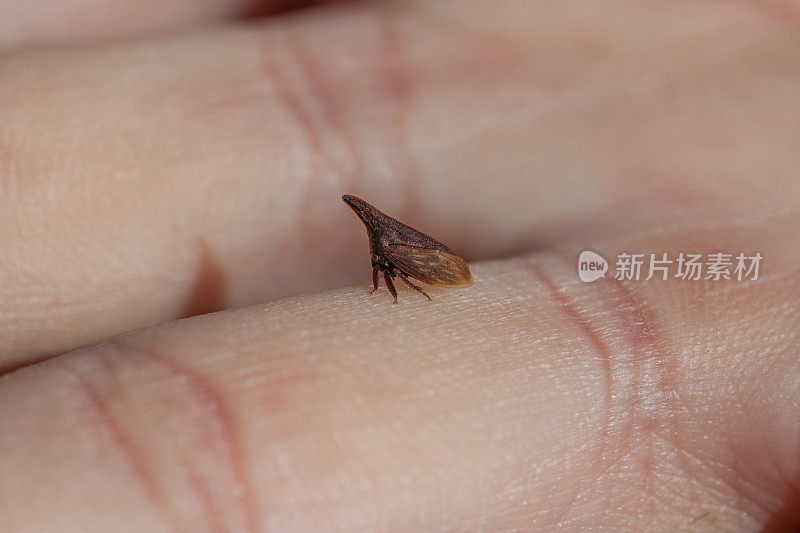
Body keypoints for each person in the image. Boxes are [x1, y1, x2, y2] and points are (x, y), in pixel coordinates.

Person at [0, 0, 798, 530]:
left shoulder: (398, 247)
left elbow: (403, 262)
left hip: (435, 268)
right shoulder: (388, 240)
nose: (366, 221)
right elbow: (391, 257)